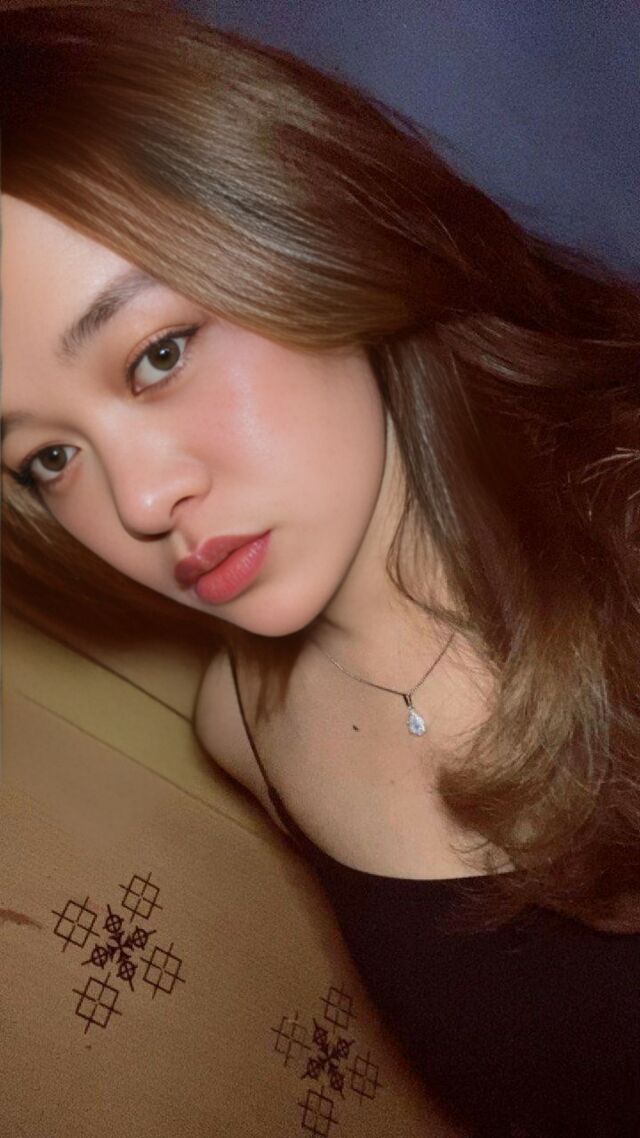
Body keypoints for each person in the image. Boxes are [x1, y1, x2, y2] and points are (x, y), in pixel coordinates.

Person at [1, 6, 639, 1136]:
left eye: (157, 353)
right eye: (48, 458)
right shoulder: (244, 729)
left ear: (301, 227)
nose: (139, 503)